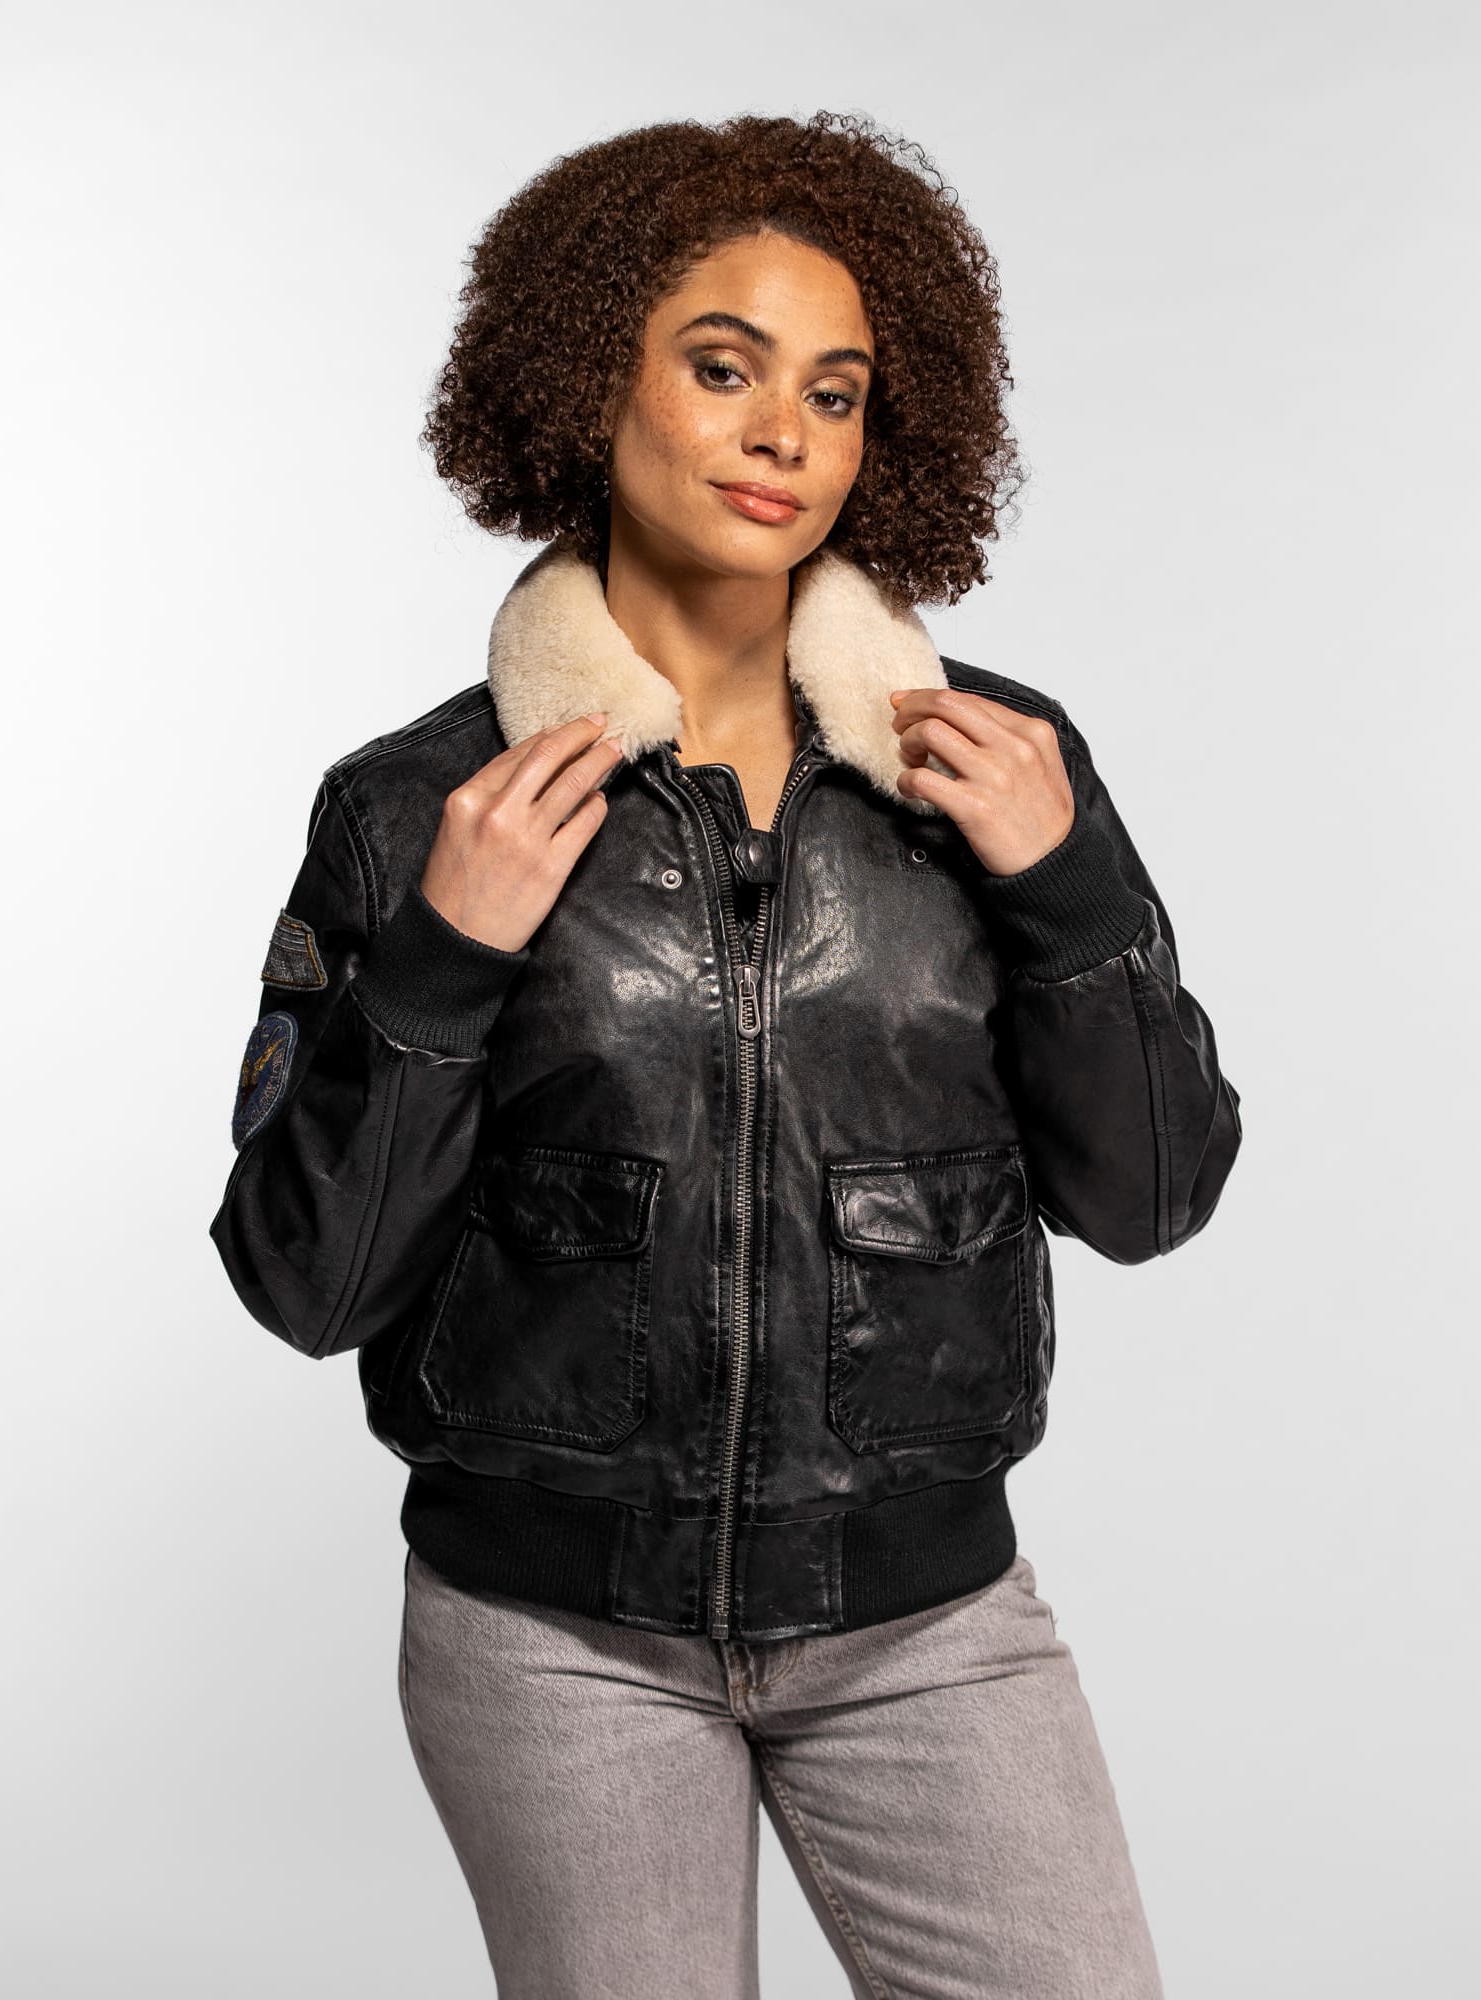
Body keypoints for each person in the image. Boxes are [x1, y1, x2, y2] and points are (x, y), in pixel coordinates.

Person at [211, 110, 1242, 2000]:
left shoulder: (998, 769)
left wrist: (1072, 891)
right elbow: (309, 1285)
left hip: (925, 1619)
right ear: (584, 379)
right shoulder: (419, 807)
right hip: (553, 1638)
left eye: (835, 393)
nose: (785, 434)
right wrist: (442, 960)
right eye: (722, 367)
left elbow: (1153, 1197)